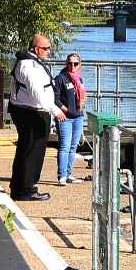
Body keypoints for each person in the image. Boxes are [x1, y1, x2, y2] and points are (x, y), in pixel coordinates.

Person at [9, 34, 64, 202]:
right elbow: (37, 93)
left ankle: (19, 187)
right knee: (32, 151)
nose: (49, 51)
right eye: (46, 48)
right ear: (35, 48)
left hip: (29, 111)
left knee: (26, 149)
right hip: (32, 113)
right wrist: (55, 111)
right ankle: (26, 189)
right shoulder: (29, 66)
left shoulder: (29, 62)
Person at [51, 52, 87, 186]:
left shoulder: (79, 79)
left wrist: (82, 101)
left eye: (75, 63)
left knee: (73, 147)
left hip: (78, 117)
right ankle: (62, 176)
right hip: (65, 118)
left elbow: (81, 96)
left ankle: (69, 174)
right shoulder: (60, 78)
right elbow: (56, 99)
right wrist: (66, 110)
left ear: (79, 65)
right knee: (64, 147)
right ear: (66, 64)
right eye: (70, 63)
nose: (72, 66)